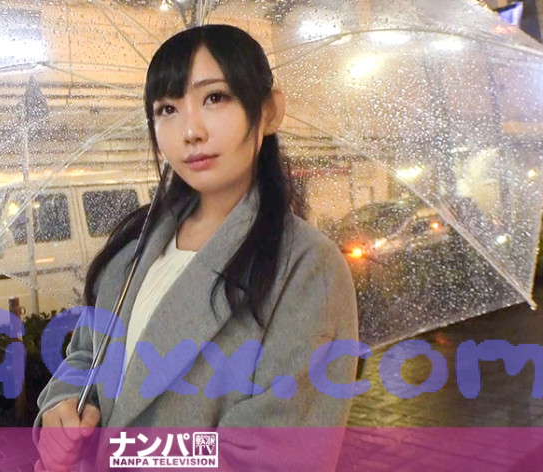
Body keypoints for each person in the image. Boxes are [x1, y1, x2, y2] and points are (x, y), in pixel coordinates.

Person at [34, 25, 358, 471]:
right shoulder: (133, 248)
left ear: (268, 111)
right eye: (168, 108)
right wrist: (64, 406)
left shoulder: (305, 266)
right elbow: (86, 356)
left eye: (215, 97)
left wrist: (121, 453)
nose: (190, 131)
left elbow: (279, 454)